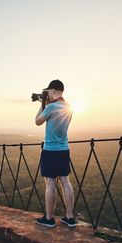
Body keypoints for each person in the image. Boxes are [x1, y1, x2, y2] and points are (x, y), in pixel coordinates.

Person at [34, 79, 76, 228]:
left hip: (50, 150)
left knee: (50, 182)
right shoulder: (69, 107)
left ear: (52, 90)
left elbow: (37, 121)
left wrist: (42, 103)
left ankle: (49, 218)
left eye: (48, 92)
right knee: (65, 181)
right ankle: (70, 218)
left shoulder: (50, 107)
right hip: (64, 149)